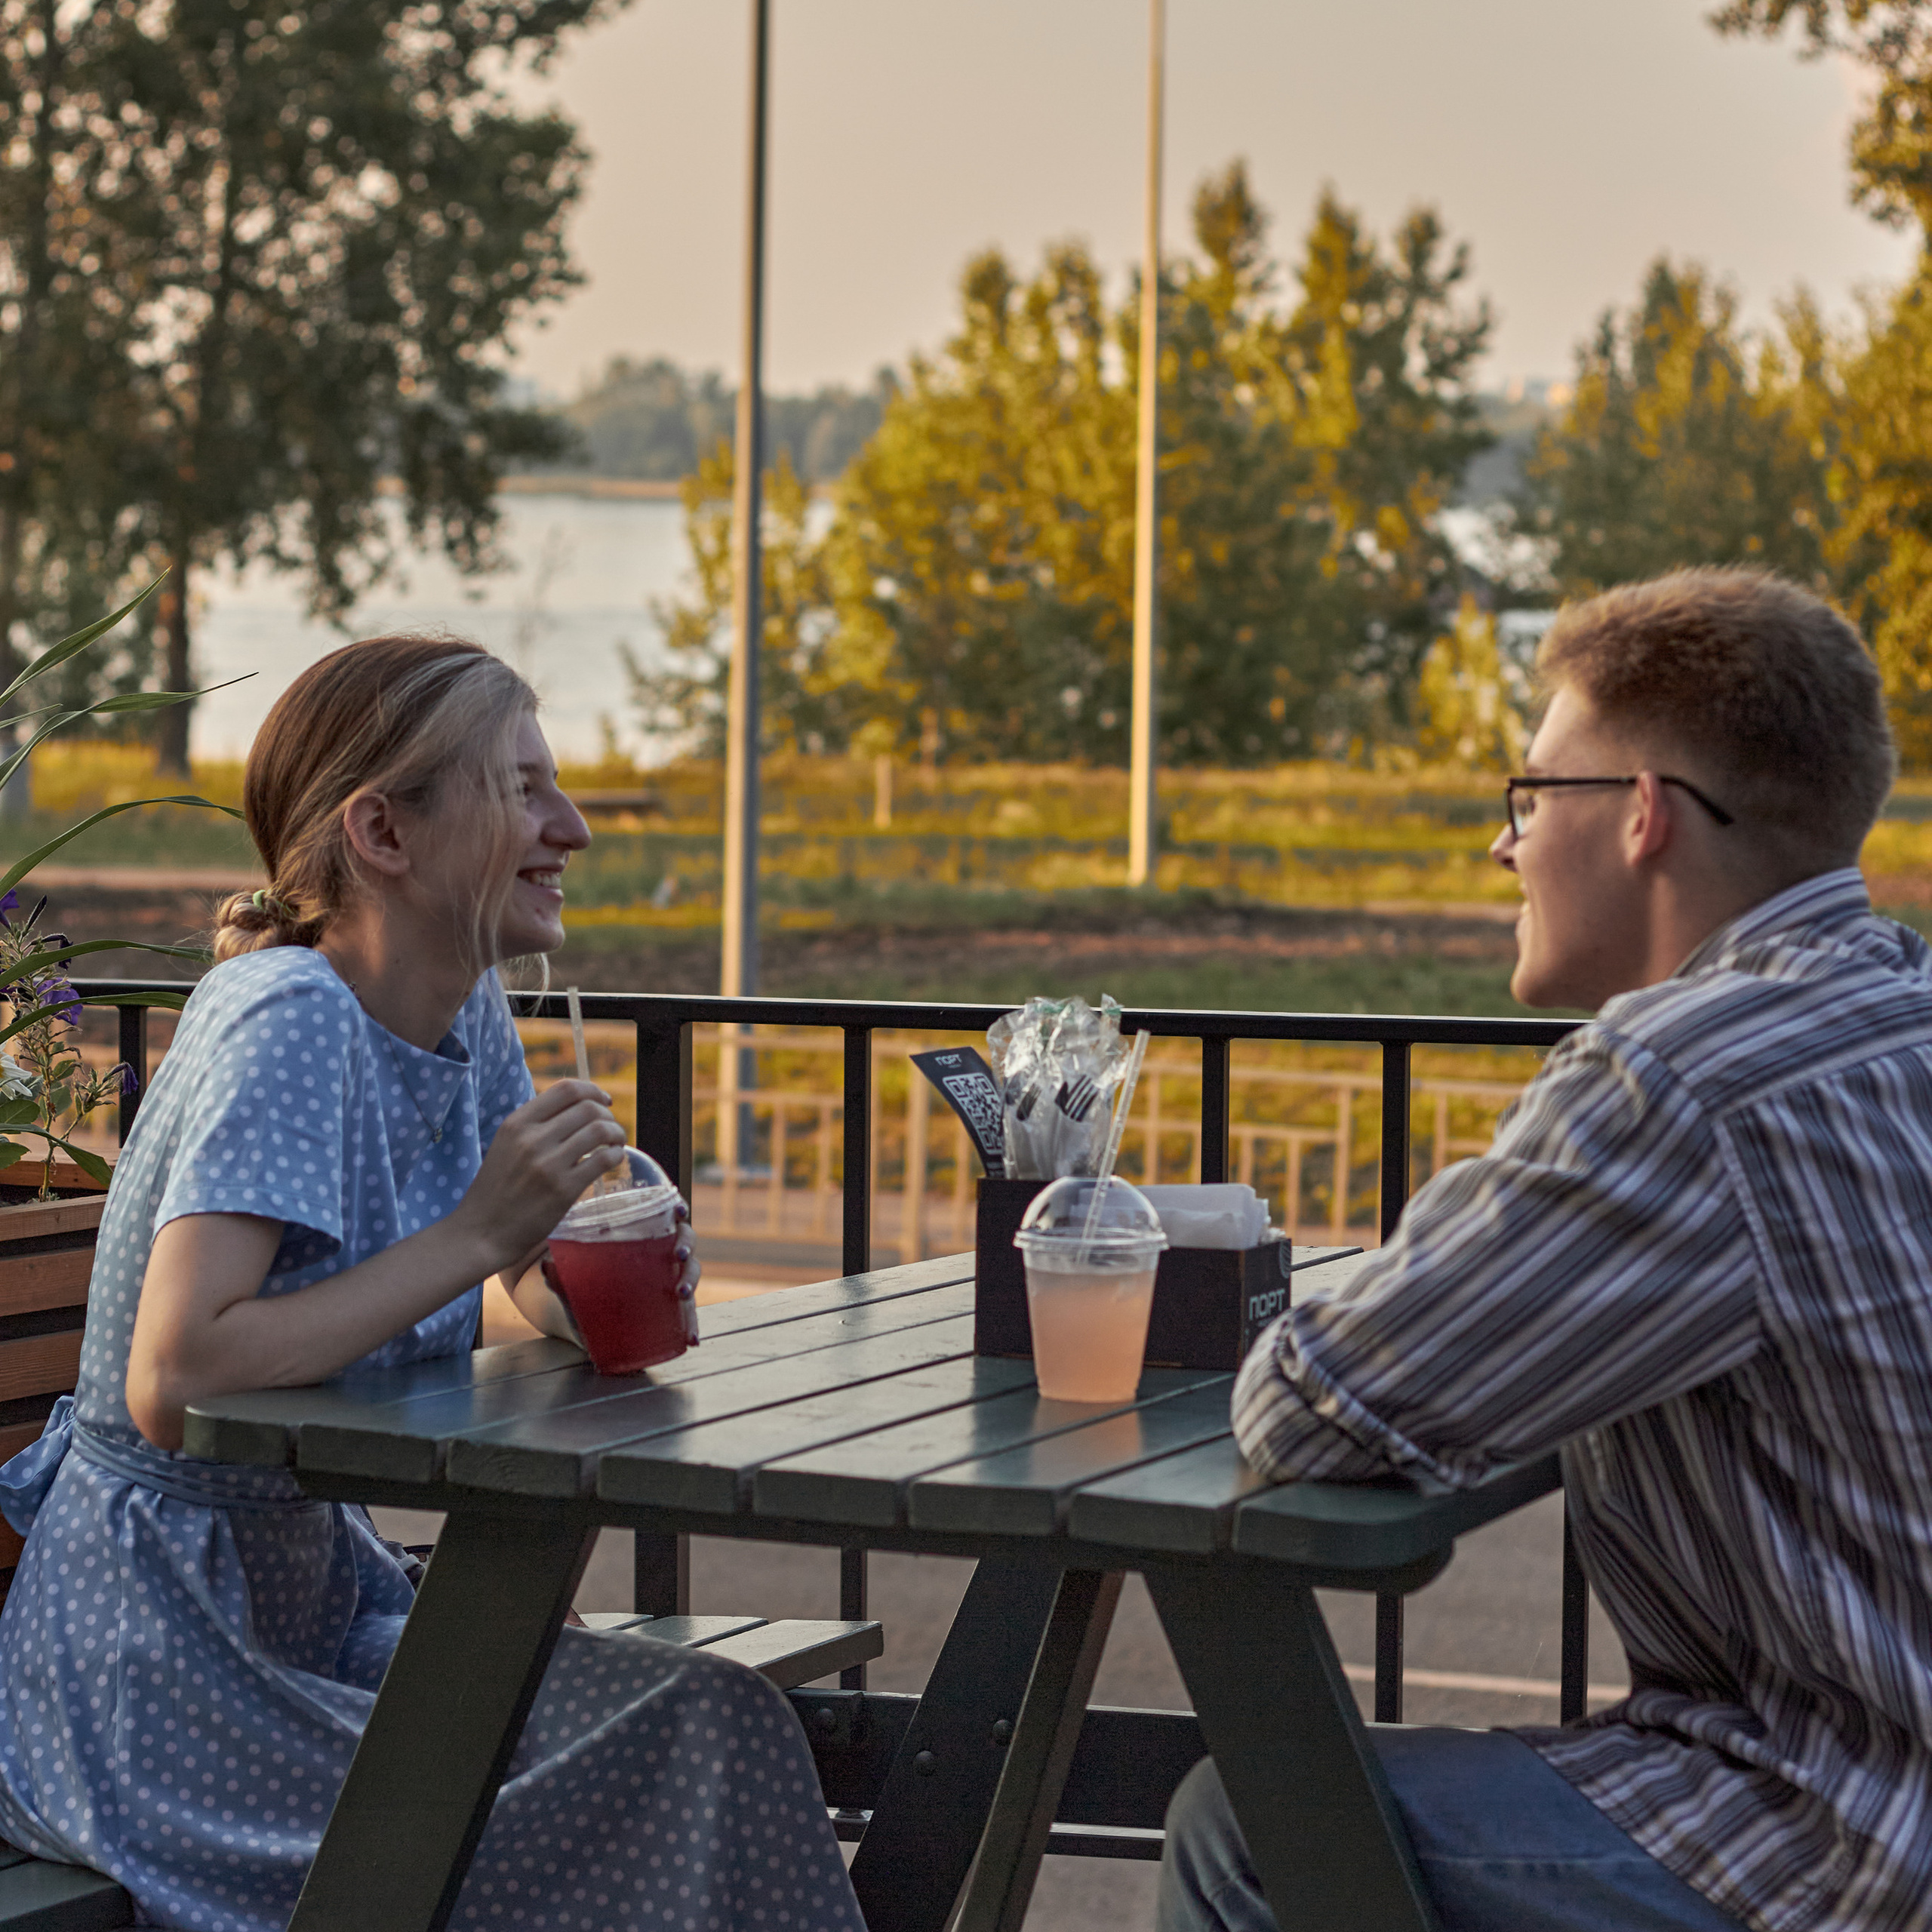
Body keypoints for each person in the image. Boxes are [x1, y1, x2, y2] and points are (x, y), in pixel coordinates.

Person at [0, 635, 865, 1932]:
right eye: (522, 790)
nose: (569, 827)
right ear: (383, 832)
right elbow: (176, 1377)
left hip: (317, 1614)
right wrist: (475, 1233)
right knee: (687, 1765)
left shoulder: (462, 1010)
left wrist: (595, 1272)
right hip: (165, 1673)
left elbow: (517, 1259)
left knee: (720, 1723)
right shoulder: (287, 1017)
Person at [1159, 568, 1932, 1932]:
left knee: (1260, 1821)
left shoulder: (1677, 1078)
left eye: (1528, 799)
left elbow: (1313, 1403)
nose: (1502, 852)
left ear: (1640, 816)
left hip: (1842, 1831)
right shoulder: (1897, 1005)